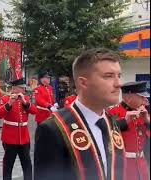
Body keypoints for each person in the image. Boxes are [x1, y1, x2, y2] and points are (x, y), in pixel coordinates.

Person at [34, 48, 126, 180]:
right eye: (108, 76)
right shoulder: (53, 129)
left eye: (119, 76)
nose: (119, 84)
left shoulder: (110, 121)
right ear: (83, 82)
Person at [108, 81, 150, 180]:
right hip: (123, 166)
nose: (145, 99)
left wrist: (147, 121)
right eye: (141, 96)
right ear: (129, 96)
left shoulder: (143, 112)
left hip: (141, 164)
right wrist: (125, 121)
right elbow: (107, 134)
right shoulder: (113, 112)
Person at [0, 78, 37, 180]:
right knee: (8, 164)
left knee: (27, 164)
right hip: (10, 137)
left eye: (24, 88)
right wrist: (10, 102)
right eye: (22, 88)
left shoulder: (26, 99)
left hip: (24, 137)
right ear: (14, 89)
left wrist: (24, 101)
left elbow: (34, 111)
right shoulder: (6, 98)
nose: (24, 90)